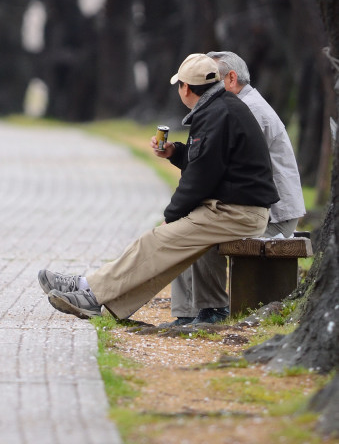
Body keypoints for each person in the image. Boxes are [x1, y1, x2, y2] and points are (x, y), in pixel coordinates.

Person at [38, 53, 278, 322]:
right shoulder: (223, 107)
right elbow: (210, 160)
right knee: (162, 244)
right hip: (236, 208)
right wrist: (175, 152)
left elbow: (200, 177)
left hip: (237, 213)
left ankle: (90, 292)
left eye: (179, 85)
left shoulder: (216, 115)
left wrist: (172, 216)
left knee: (155, 241)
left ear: (186, 88)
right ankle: (92, 291)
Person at [167, 50, 306, 325]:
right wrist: (177, 153)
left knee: (197, 231)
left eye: (213, 80)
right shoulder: (231, 108)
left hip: (272, 216)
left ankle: (212, 309)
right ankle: (188, 313)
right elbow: (213, 161)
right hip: (252, 208)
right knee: (185, 225)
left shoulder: (247, 110)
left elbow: (218, 167)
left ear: (231, 78)